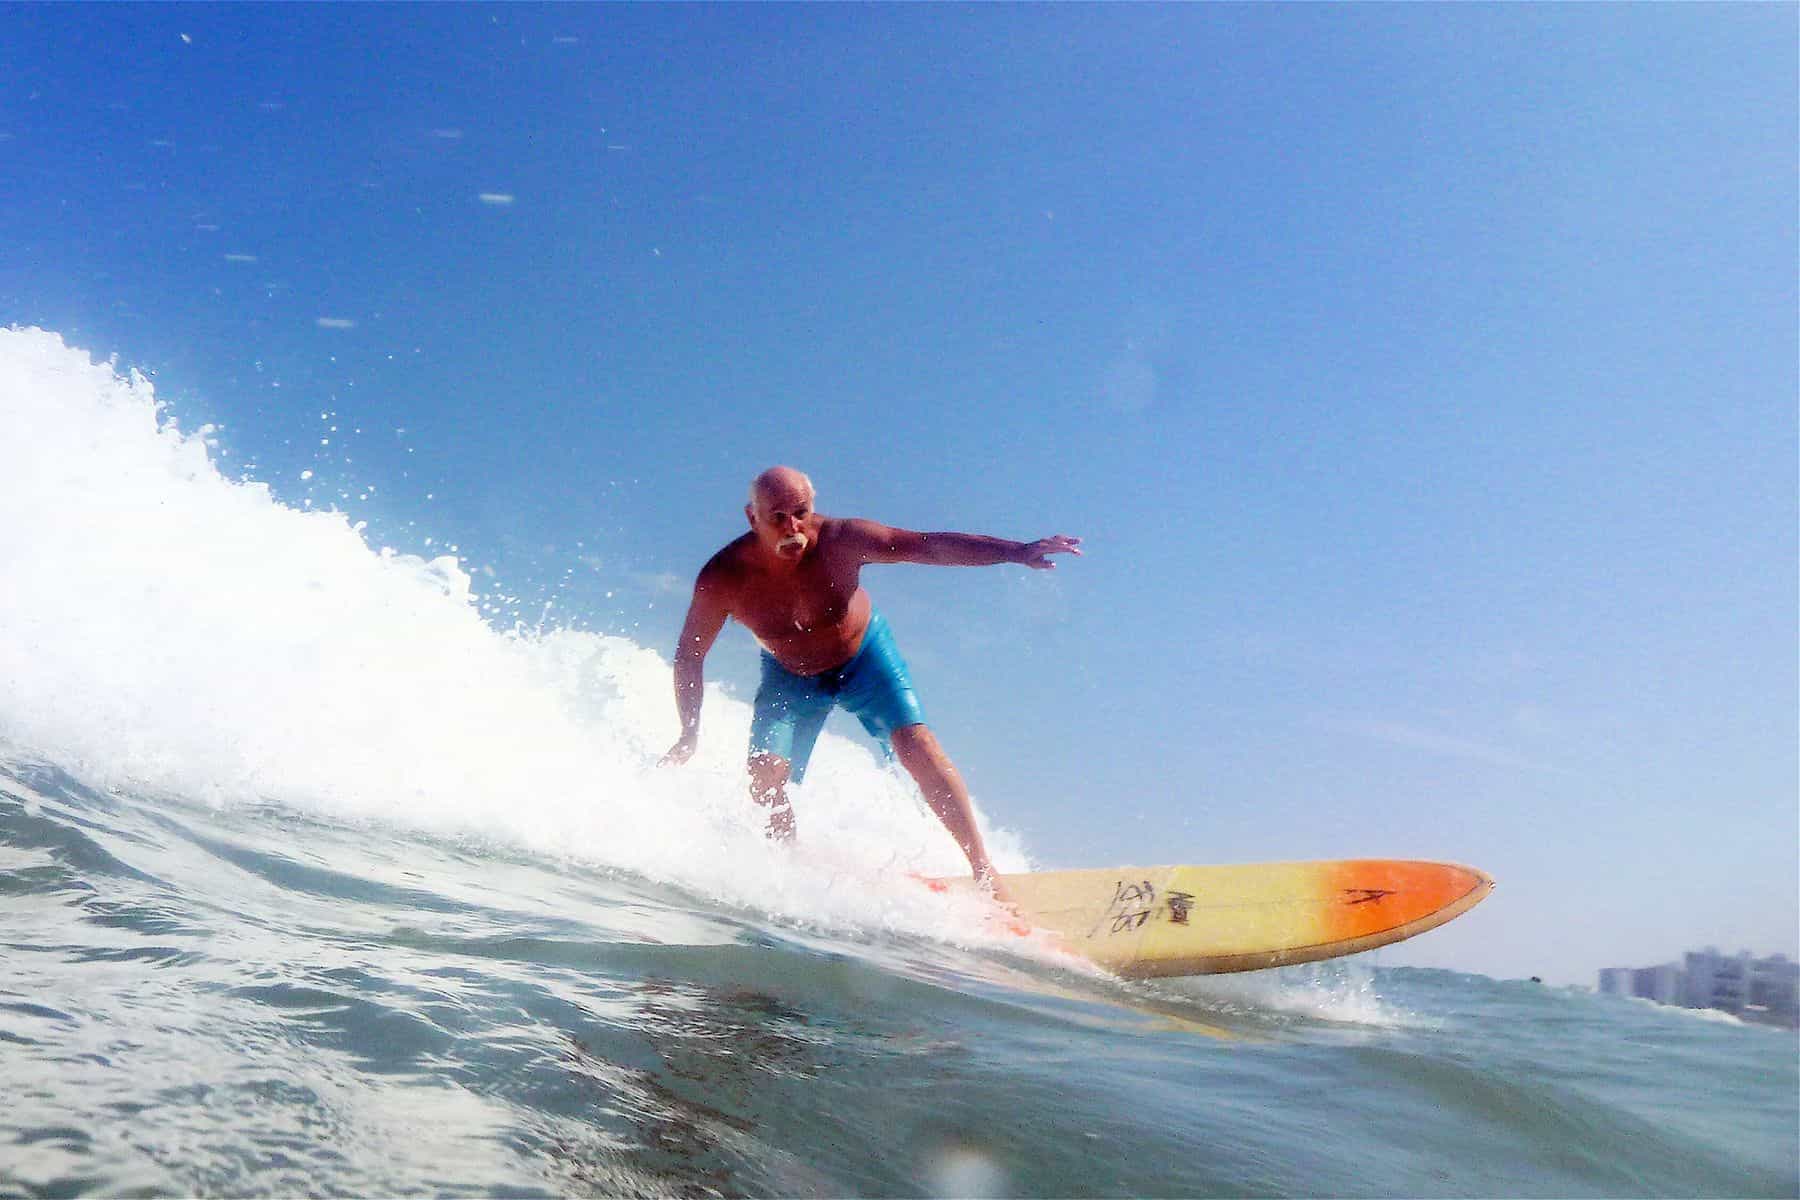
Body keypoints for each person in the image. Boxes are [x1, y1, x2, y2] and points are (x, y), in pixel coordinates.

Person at [659, 466, 1080, 895]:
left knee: (918, 746)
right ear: (753, 517)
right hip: (790, 675)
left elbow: (924, 545)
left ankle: (985, 872)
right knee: (764, 774)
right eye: (777, 517)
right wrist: (688, 732)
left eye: (801, 513)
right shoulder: (723, 578)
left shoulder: (842, 541)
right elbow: (690, 655)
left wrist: (1017, 552)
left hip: (864, 658)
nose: (792, 527)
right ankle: (787, 871)